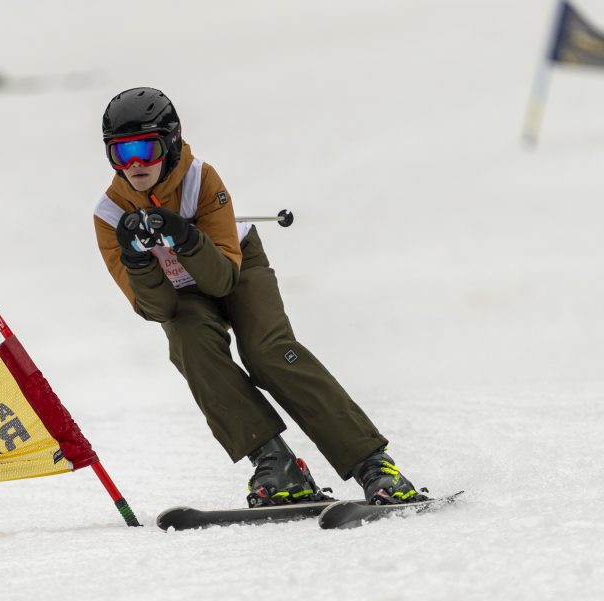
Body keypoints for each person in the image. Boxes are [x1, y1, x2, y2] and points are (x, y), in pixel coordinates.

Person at [92, 87, 424, 507]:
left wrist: (185, 236)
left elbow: (222, 281)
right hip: (179, 293)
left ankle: (373, 463)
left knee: (267, 351)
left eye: (145, 149)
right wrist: (137, 258)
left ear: (171, 144)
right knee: (189, 342)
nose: (135, 165)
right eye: (121, 153)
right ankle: (275, 462)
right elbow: (158, 309)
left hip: (236, 268)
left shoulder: (199, 180)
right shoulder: (110, 215)